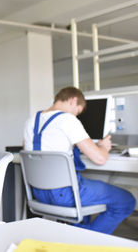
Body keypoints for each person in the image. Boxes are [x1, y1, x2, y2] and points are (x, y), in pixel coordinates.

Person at [23, 86, 136, 234]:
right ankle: (88, 242)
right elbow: (100, 158)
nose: (77, 116)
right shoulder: (68, 119)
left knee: (87, 192)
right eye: (78, 111)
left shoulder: (31, 121)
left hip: (37, 193)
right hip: (64, 194)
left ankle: (79, 233)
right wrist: (103, 146)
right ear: (73, 100)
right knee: (126, 200)